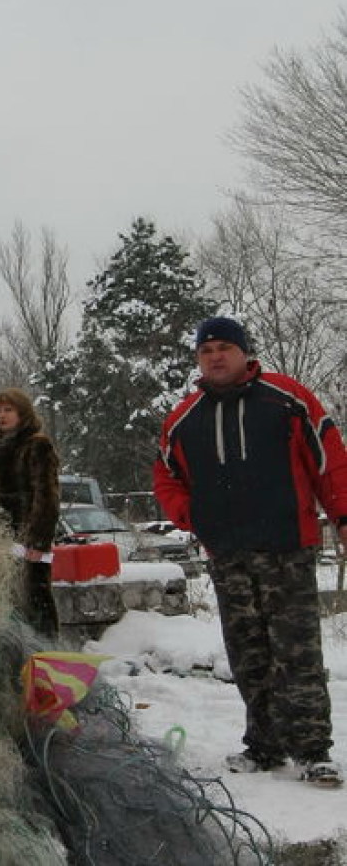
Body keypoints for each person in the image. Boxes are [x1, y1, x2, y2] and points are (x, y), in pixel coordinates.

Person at [154, 316, 347, 788]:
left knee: (295, 652)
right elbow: (165, 476)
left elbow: (329, 460)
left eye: (224, 347)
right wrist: (191, 515)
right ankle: (264, 745)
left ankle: (312, 750)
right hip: (228, 552)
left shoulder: (286, 399)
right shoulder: (184, 418)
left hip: (287, 546)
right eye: (206, 349)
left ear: (244, 353)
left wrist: (342, 517)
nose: (215, 355)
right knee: (248, 654)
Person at [0, 388, 60, 637]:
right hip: (2, 536)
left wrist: (38, 539)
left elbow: (47, 495)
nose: (2, 416)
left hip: (29, 537)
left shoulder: (37, 445)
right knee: (8, 603)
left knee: (36, 598)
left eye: (8, 410)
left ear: (22, 413)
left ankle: (48, 654)